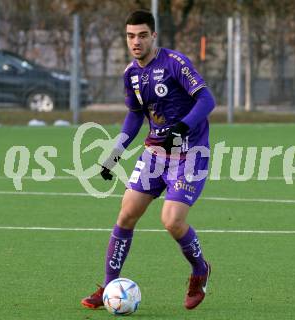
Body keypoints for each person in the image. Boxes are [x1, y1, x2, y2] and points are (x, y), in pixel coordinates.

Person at [81, 9, 215, 310]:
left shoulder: (174, 62)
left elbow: (207, 99)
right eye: (130, 36)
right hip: (154, 154)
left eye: (142, 35)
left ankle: (199, 270)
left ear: (153, 35)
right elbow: (135, 116)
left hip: (189, 154)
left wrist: (181, 127)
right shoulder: (131, 74)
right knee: (126, 213)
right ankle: (109, 288)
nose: (136, 41)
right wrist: (115, 154)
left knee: (171, 220)